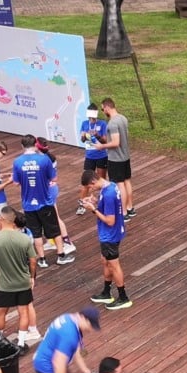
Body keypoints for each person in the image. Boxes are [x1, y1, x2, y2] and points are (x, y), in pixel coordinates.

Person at [0, 209, 39, 345]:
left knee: (0, 312)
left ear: (2, 219)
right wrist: (32, 277)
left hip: (4, 284)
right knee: (23, 312)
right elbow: (33, 260)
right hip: (22, 282)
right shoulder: (24, 238)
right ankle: (21, 342)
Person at [32, 308, 100, 373]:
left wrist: (85, 370)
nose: (90, 330)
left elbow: (75, 350)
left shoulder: (70, 319)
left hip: (57, 360)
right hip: (46, 365)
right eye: (90, 325)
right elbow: (57, 362)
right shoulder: (69, 334)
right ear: (82, 318)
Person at [81, 169, 131, 310]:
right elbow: (112, 206)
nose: (90, 190)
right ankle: (106, 292)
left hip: (110, 235)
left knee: (114, 265)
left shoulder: (107, 194)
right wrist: (96, 202)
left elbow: (109, 220)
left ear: (93, 182)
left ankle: (123, 297)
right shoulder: (110, 186)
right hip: (114, 232)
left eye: (90, 187)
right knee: (105, 261)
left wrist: (93, 209)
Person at [12, 134, 58, 263]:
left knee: (36, 233)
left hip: (28, 203)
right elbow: (53, 178)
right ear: (35, 145)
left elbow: (16, 182)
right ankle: (61, 255)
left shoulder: (17, 161)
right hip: (45, 200)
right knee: (54, 229)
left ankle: (42, 259)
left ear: (22, 146)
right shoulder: (44, 160)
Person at [97, 97, 134, 217]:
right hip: (125, 156)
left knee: (119, 184)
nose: (103, 112)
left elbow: (115, 142)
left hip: (115, 159)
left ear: (107, 107)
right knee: (127, 181)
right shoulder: (123, 118)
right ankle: (130, 207)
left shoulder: (112, 123)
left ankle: (123, 212)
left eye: (103, 109)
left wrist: (102, 147)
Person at [78, 103, 108, 180]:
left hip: (101, 156)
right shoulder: (84, 123)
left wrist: (97, 135)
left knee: (102, 180)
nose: (91, 118)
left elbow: (105, 141)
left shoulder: (102, 123)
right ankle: (91, 192)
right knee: (87, 179)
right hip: (89, 156)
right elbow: (82, 140)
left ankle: (102, 192)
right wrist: (84, 136)